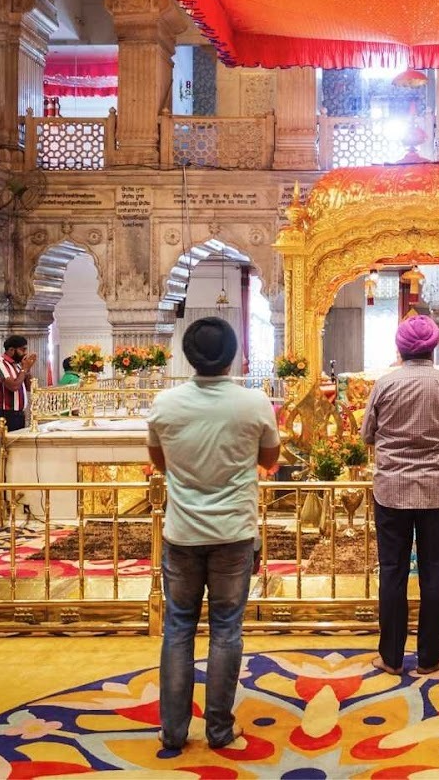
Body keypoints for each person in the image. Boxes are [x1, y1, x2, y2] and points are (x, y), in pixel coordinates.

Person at [146, 317, 279, 752]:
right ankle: (219, 730)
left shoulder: (165, 404)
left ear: (188, 355)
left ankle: (173, 730)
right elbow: (270, 458)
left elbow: (159, 461)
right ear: (231, 355)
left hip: (182, 531)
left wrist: (191, 476)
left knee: (178, 629)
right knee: (226, 628)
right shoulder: (253, 403)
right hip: (233, 532)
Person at [361, 315, 439, 676]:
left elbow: (367, 434)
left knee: (391, 571)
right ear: (434, 346)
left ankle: (391, 657)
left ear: (400, 347)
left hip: (390, 489)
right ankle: (429, 657)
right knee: (434, 571)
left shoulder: (385, 385)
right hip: (435, 490)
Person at [0, 335, 37, 431]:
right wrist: (24, 369)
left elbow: (29, 387)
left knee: (17, 445)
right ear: (11, 350)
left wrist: (27, 369)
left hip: (19, 414)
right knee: (4, 445)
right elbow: (13, 386)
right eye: (22, 350)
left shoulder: (17, 366)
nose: (25, 353)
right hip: (5, 415)